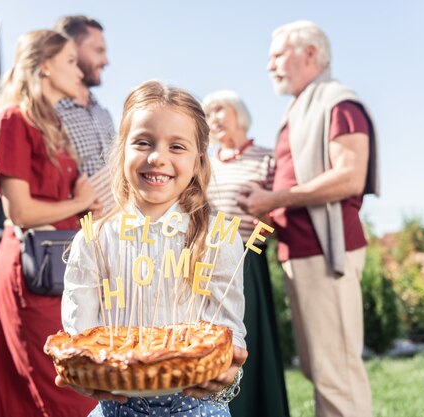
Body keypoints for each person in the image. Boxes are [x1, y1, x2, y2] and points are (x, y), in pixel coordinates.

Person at [56, 80, 248, 417]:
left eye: (177, 146)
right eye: (143, 142)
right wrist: (80, 370)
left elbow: (228, 336)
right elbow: (80, 337)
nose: (157, 158)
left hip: (197, 410)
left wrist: (227, 374)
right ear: (123, 150)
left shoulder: (218, 237)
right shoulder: (94, 239)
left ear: (199, 161)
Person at [236, 21, 379, 417]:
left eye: (278, 55)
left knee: (338, 373)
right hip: (300, 252)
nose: (271, 66)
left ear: (310, 54)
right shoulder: (302, 105)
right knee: (321, 369)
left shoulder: (338, 102)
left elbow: (350, 176)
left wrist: (273, 198)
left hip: (324, 252)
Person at [0, 30, 99, 417]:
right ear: (45, 66)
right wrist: (78, 199)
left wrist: (82, 200)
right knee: (61, 381)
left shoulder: (55, 127)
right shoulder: (10, 121)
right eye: (70, 62)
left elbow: (72, 202)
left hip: (63, 262)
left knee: (75, 376)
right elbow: (21, 212)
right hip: (33, 265)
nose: (79, 71)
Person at [203, 90, 290, 417]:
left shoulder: (267, 158)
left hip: (247, 260)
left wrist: (262, 226)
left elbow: (276, 214)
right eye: (208, 113)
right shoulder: (205, 163)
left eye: (220, 109)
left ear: (239, 113)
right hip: (207, 260)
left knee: (247, 339)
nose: (214, 118)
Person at [54, 15, 115, 177]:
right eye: (98, 51)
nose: (105, 61)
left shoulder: (104, 114)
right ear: (70, 49)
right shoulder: (48, 114)